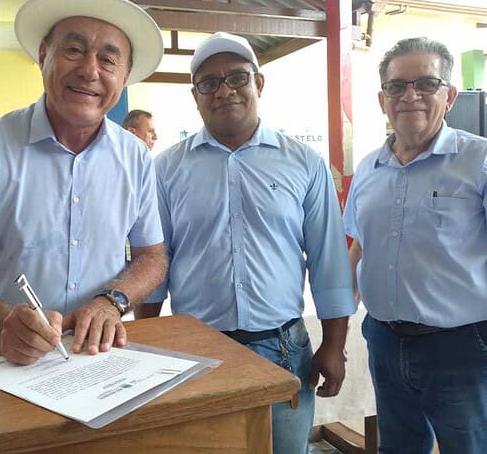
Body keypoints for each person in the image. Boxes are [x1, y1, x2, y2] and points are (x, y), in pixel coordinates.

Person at [135, 32, 356, 453]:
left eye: (237, 77)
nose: (224, 91)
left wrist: (334, 344)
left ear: (259, 83)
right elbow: (155, 262)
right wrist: (146, 344)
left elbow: (328, 261)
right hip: (197, 353)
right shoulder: (165, 170)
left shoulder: (304, 164)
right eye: (209, 83)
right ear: (195, 96)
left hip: (282, 349)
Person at [0, 0, 167, 366]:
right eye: (74, 49)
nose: (90, 71)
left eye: (108, 59)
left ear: (124, 77)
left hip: (100, 355)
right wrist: (2, 324)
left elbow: (153, 257)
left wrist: (112, 301)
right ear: (44, 55)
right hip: (4, 357)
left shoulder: (135, 157)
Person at [344, 37, 487, 453]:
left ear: (450, 95)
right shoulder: (369, 168)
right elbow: (359, 247)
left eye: (426, 83)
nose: (410, 95)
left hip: (461, 346)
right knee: (398, 447)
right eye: (397, 86)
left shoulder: (477, 161)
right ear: (382, 100)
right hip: (384, 340)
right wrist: (338, 326)